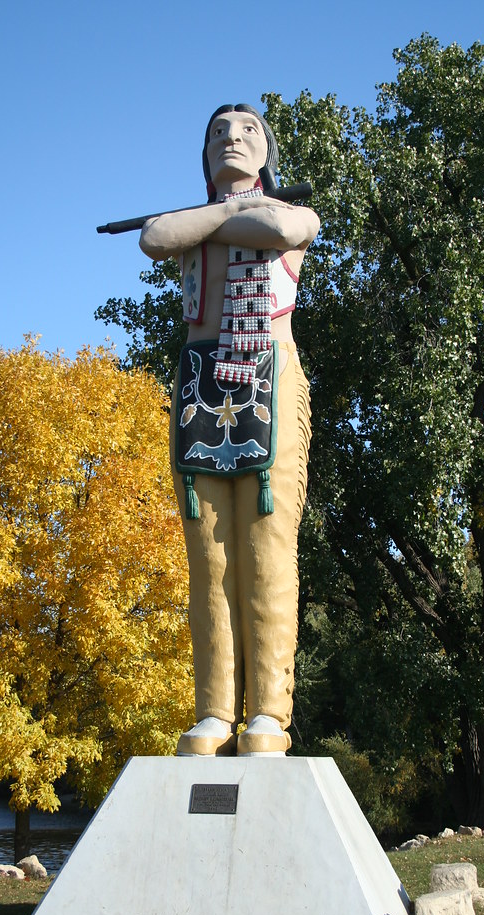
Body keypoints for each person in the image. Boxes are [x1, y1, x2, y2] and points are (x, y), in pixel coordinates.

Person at [140, 104, 319, 756]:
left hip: (269, 378)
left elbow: (281, 224)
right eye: (217, 133)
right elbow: (156, 236)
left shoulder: (289, 214)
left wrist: (213, 215)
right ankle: (215, 709)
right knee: (208, 560)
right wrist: (221, 211)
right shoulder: (190, 227)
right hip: (200, 385)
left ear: (266, 151)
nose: (230, 139)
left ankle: (269, 713)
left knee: (265, 550)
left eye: (246, 131)